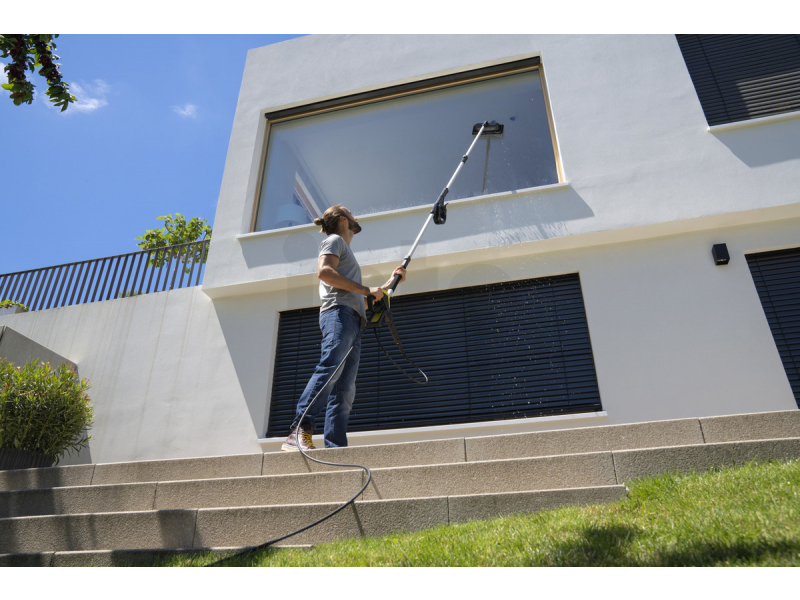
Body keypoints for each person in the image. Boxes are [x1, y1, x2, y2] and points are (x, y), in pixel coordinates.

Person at [282, 205, 406, 451]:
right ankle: (298, 431)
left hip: (353, 319)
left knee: (345, 390)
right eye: (351, 213)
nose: (356, 216)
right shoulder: (334, 241)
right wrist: (365, 289)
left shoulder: (346, 254)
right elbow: (325, 272)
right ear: (343, 219)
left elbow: (366, 299)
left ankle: (336, 448)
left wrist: (391, 282)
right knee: (331, 368)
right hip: (339, 314)